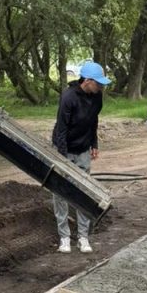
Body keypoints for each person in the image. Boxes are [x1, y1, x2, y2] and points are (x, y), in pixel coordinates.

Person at [51, 61, 112, 253]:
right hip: (64, 148)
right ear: (87, 81)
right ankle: (64, 237)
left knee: (84, 192)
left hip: (83, 149)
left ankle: (83, 237)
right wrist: (62, 160)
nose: (102, 86)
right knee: (60, 193)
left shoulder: (97, 96)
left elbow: (93, 121)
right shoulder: (68, 97)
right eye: (99, 83)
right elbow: (61, 129)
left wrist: (94, 143)